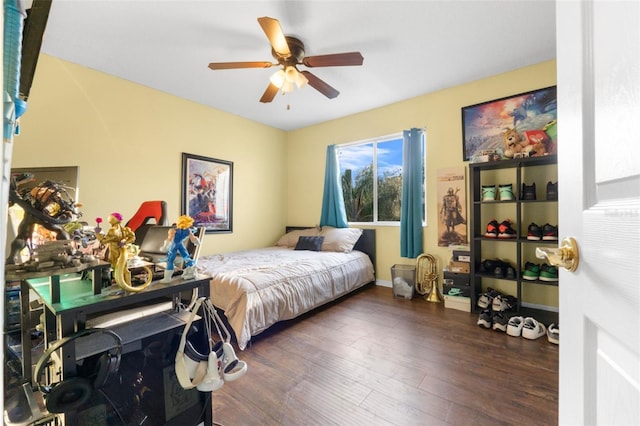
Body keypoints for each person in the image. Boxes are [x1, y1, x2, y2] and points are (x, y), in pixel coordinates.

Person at [96, 212, 136, 284]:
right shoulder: (125, 229)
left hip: (114, 251)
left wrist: (97, 233)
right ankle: (127, 283)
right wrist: (125, 242)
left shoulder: (112, 231)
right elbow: (132, 237)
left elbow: (103, 241)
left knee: (116, 267)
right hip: (123, 250)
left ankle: (120, 283)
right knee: (124, 267)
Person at [161, 215, 200, 283]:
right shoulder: (187, 230)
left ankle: (167, 278)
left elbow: (169, 239)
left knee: (170, 260)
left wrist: (165, 247)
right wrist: (197, 242)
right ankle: (191, 270)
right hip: (180, 245)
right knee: (186, 257)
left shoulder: (173, 230)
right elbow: (193, 239)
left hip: (175, 245)